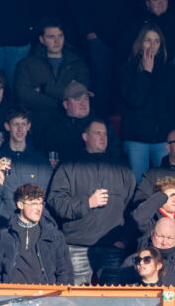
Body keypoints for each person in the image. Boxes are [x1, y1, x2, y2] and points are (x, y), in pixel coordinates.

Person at [47, 119, 136, 285]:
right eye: (97, 133)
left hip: (112, 246)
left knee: (112, 302)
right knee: (77, 301)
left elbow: (133, 206)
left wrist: (124, 239)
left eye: (105, 134)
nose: (102, 137)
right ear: (85, 136)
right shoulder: (69, 166)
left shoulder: (121, 168)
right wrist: (87, 203)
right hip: (77, 245)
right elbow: (55, 201)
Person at [118, 26, 175, 181]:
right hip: (136, 138)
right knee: (138, 184)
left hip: (163, 138)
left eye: (156, 41)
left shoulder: (171, 72)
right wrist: (146, 72)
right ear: (140, 43)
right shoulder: (127, 70)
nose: (152, 45)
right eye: (148, 40)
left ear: (161, 46)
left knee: (168, 185)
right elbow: (133, 100)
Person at [0, 184, 72, 285]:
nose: (39, 208)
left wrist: (56, 298)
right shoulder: (2, 236)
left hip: (46, 296)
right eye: (33, 204)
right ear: (20, 205)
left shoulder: (54, 236)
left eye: (40, 203)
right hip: (11, 295)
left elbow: (66, 273)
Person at [14, 19, 91, 132]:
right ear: (42, 39)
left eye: (60, 36)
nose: (57, 41)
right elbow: (24, 96)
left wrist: (44, 88)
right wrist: (63, 103)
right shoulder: (26, 64)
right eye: (51, 37)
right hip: (38, 126)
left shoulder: (77, 63)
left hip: (71, 126)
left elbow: (80, 93)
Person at [0, 108, 53, 224]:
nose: (20, 129)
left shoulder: (41, 163)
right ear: (7, 126)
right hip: (4, 227)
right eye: (15, 124)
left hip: (34, 228)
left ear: (29, 126)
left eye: (23, 124)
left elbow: (47, 201)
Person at [120, 216, 175, 286]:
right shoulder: (134, 261)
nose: (164, 242)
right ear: (152, 234)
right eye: (160, 236)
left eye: (169, 238)